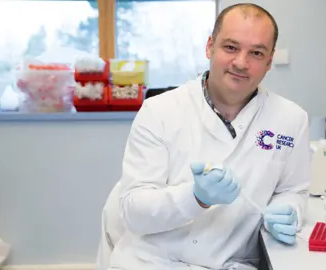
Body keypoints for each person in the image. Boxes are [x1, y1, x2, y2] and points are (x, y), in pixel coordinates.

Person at [108, 3, 311, 270]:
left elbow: (293, 191)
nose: (241, 62)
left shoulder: (291, 119)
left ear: (269, 62)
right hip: (153, 260)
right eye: (230, 47)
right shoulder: (160, 111)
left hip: (231, 262)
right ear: (209, 47)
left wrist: (289, 210)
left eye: (256, 53)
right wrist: (195, 197)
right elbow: (133, 211)